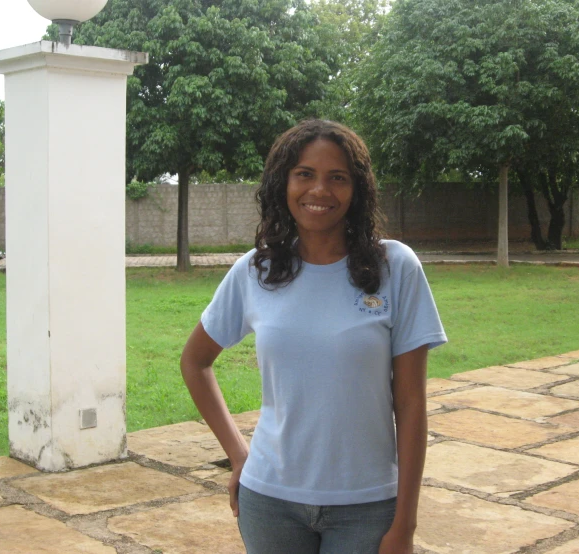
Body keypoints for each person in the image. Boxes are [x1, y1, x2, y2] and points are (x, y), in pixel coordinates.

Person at [181, 119, 447, 554]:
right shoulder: (256, 271)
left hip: (367, 506)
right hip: (270, 502)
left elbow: (412, 401)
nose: (319, 190)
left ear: (357, 189)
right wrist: (238, 454)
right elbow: (195, 361)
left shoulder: (395, 268)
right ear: (282, 184)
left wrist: (406, 524)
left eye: (337, 178)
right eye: (304, 174)